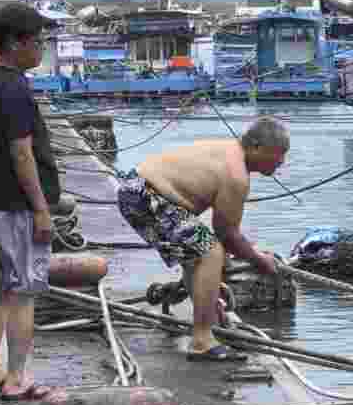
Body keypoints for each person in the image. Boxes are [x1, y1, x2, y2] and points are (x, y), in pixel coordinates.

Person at [116, 117, 287, 361]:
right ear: (257, 147)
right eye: (278, 154)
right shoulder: (236, 173)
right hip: (145, 195)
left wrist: (208, 289)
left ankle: (207, 323)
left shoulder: (230, 153)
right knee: (210, 252)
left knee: (200, 254)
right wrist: (259, 259)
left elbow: (221, 233)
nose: (282, 161)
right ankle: (202, 342)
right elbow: (227, 235)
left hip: (135, 190)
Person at [0, 3, 60, 400]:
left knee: (1, 291)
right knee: (23, 293)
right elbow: (21, 153)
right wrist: (42, 209)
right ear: (14, 43)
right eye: (37, 42)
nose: (41, 49)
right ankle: (17, 377)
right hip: (16, 207)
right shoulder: (15, 88)